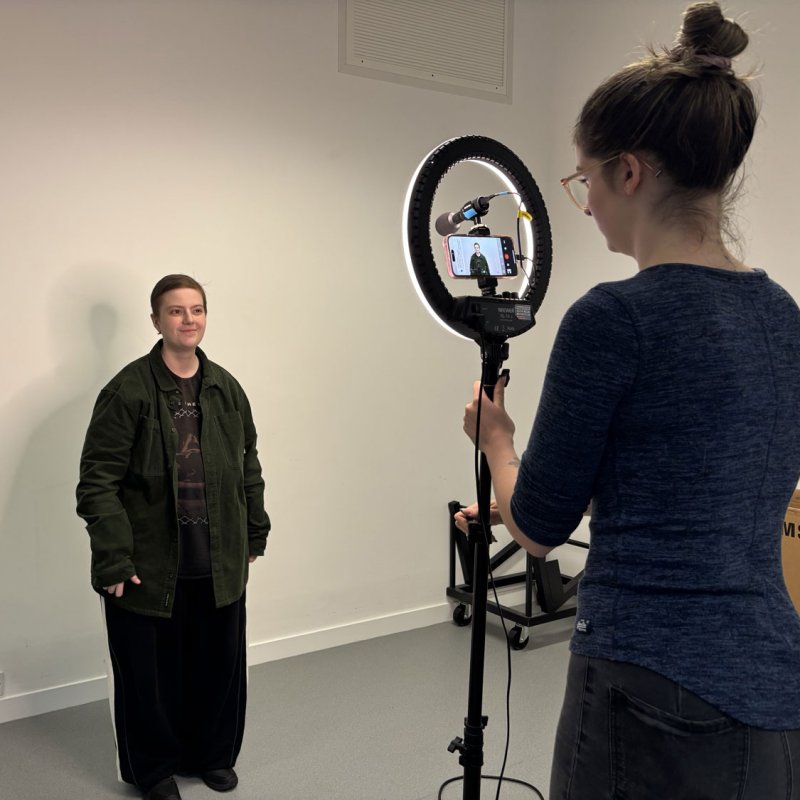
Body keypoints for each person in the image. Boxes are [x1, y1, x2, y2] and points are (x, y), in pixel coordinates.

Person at [457, 3, 800, 798]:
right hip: (773, 681)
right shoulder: (785, 318)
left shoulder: (612, 319)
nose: (587, 201)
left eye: (584, 178)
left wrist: (496, 441)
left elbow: (538, 528)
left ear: (630, 172)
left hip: (645, 686)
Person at [76, 275, 271, 800]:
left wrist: (255, 528)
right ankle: (154, 770)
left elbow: (247, 464)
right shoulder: (128, 390)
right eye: (177, 311)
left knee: (216, 667)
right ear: (157, 320)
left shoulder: (226, 388)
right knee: (149, 679)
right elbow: (98, 482)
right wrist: (113, 558)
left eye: (198, 310)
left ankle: (211, 755)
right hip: (149, 564)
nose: (189, 320)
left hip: (219, 559)